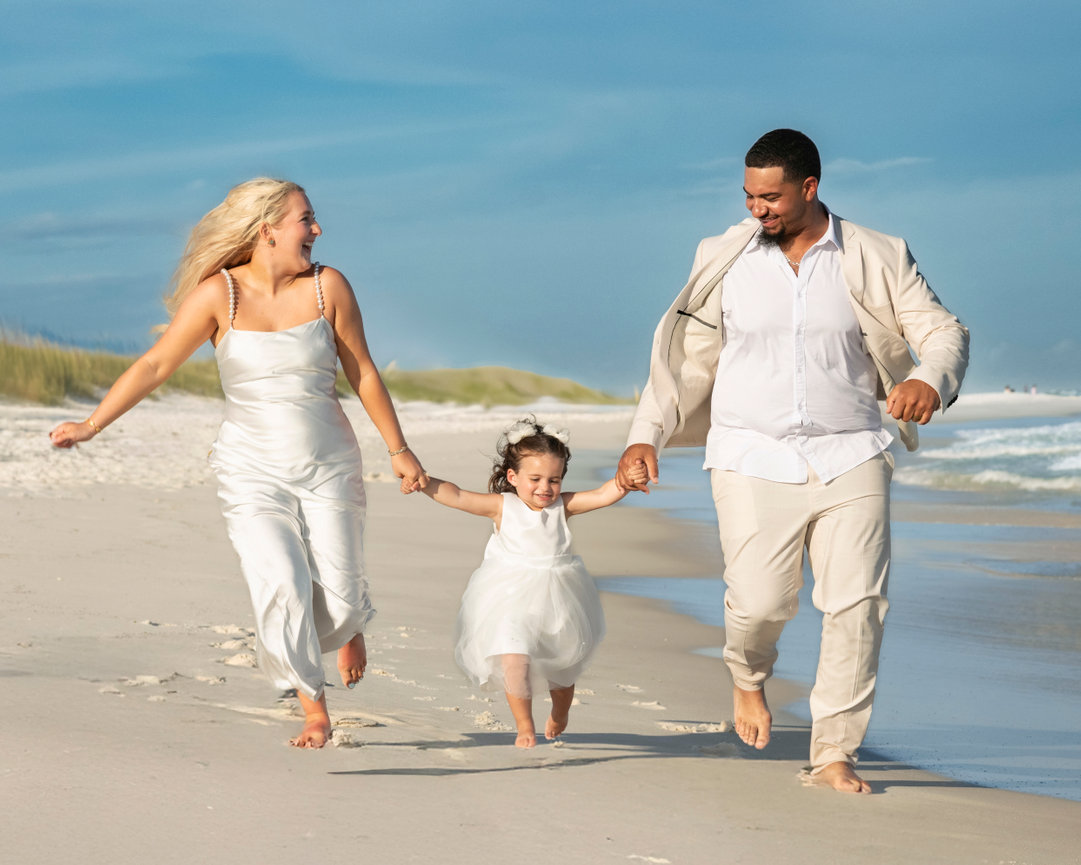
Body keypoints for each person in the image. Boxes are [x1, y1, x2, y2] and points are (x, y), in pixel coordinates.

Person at [616, 130, 969, 793]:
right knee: (757, 604)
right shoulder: (723, 257)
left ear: (809, 187)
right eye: (748, 196)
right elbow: (683, 363)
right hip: (749, 454)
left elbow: (942, 330)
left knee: (856, 605)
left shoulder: (877, 254)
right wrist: (646, 435)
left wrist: (929, 378)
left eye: (770, 196)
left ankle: (834, 750)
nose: (758, 209)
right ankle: (747, 676)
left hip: (851, 452)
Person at [49, 178, 426, 748]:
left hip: (328, 464)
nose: (317, 230)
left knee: (342, 598)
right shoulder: (217, 295)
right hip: (251, 469)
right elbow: (154, 366)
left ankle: (349, 625)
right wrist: (90, 425)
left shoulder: (329, 288)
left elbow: (363, 371)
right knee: (282, 583)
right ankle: (314, 707)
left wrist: (399, 451)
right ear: (267, 229)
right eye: (307, 219)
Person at [410, 418, 645, 748]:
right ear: (512, 477)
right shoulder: (503, 506)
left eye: (554, 479)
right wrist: (423, 482)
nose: (544, 488)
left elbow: (606, 493)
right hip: (509, 596)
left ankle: (560, 713)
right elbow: (459, 495)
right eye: (535, 479)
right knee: (513, 659)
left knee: (561, 668)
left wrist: (628, 480)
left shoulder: (565, 506)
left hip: (559, 596)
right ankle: (524, 726)